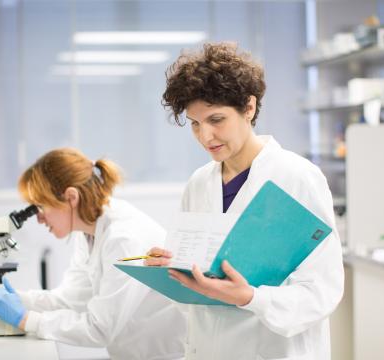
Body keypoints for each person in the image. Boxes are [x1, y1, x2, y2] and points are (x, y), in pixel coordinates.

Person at [145, 43, 344, 359]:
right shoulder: (199, 184)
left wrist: (251, 298)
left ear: (249, 107)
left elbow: (322, 291)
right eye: (195, 123)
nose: (205, 136)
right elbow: (193, 292)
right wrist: (169, 270)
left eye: (216, 119)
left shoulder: (296, 178)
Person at [0, 148, 186, 360]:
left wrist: (26, 319)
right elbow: (69, 299)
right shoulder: (89, 232)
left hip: (162, 355)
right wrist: (17, 299)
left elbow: (99, 329)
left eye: (41, 207)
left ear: (71, 197)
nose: (39, 219)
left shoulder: (123, 239)